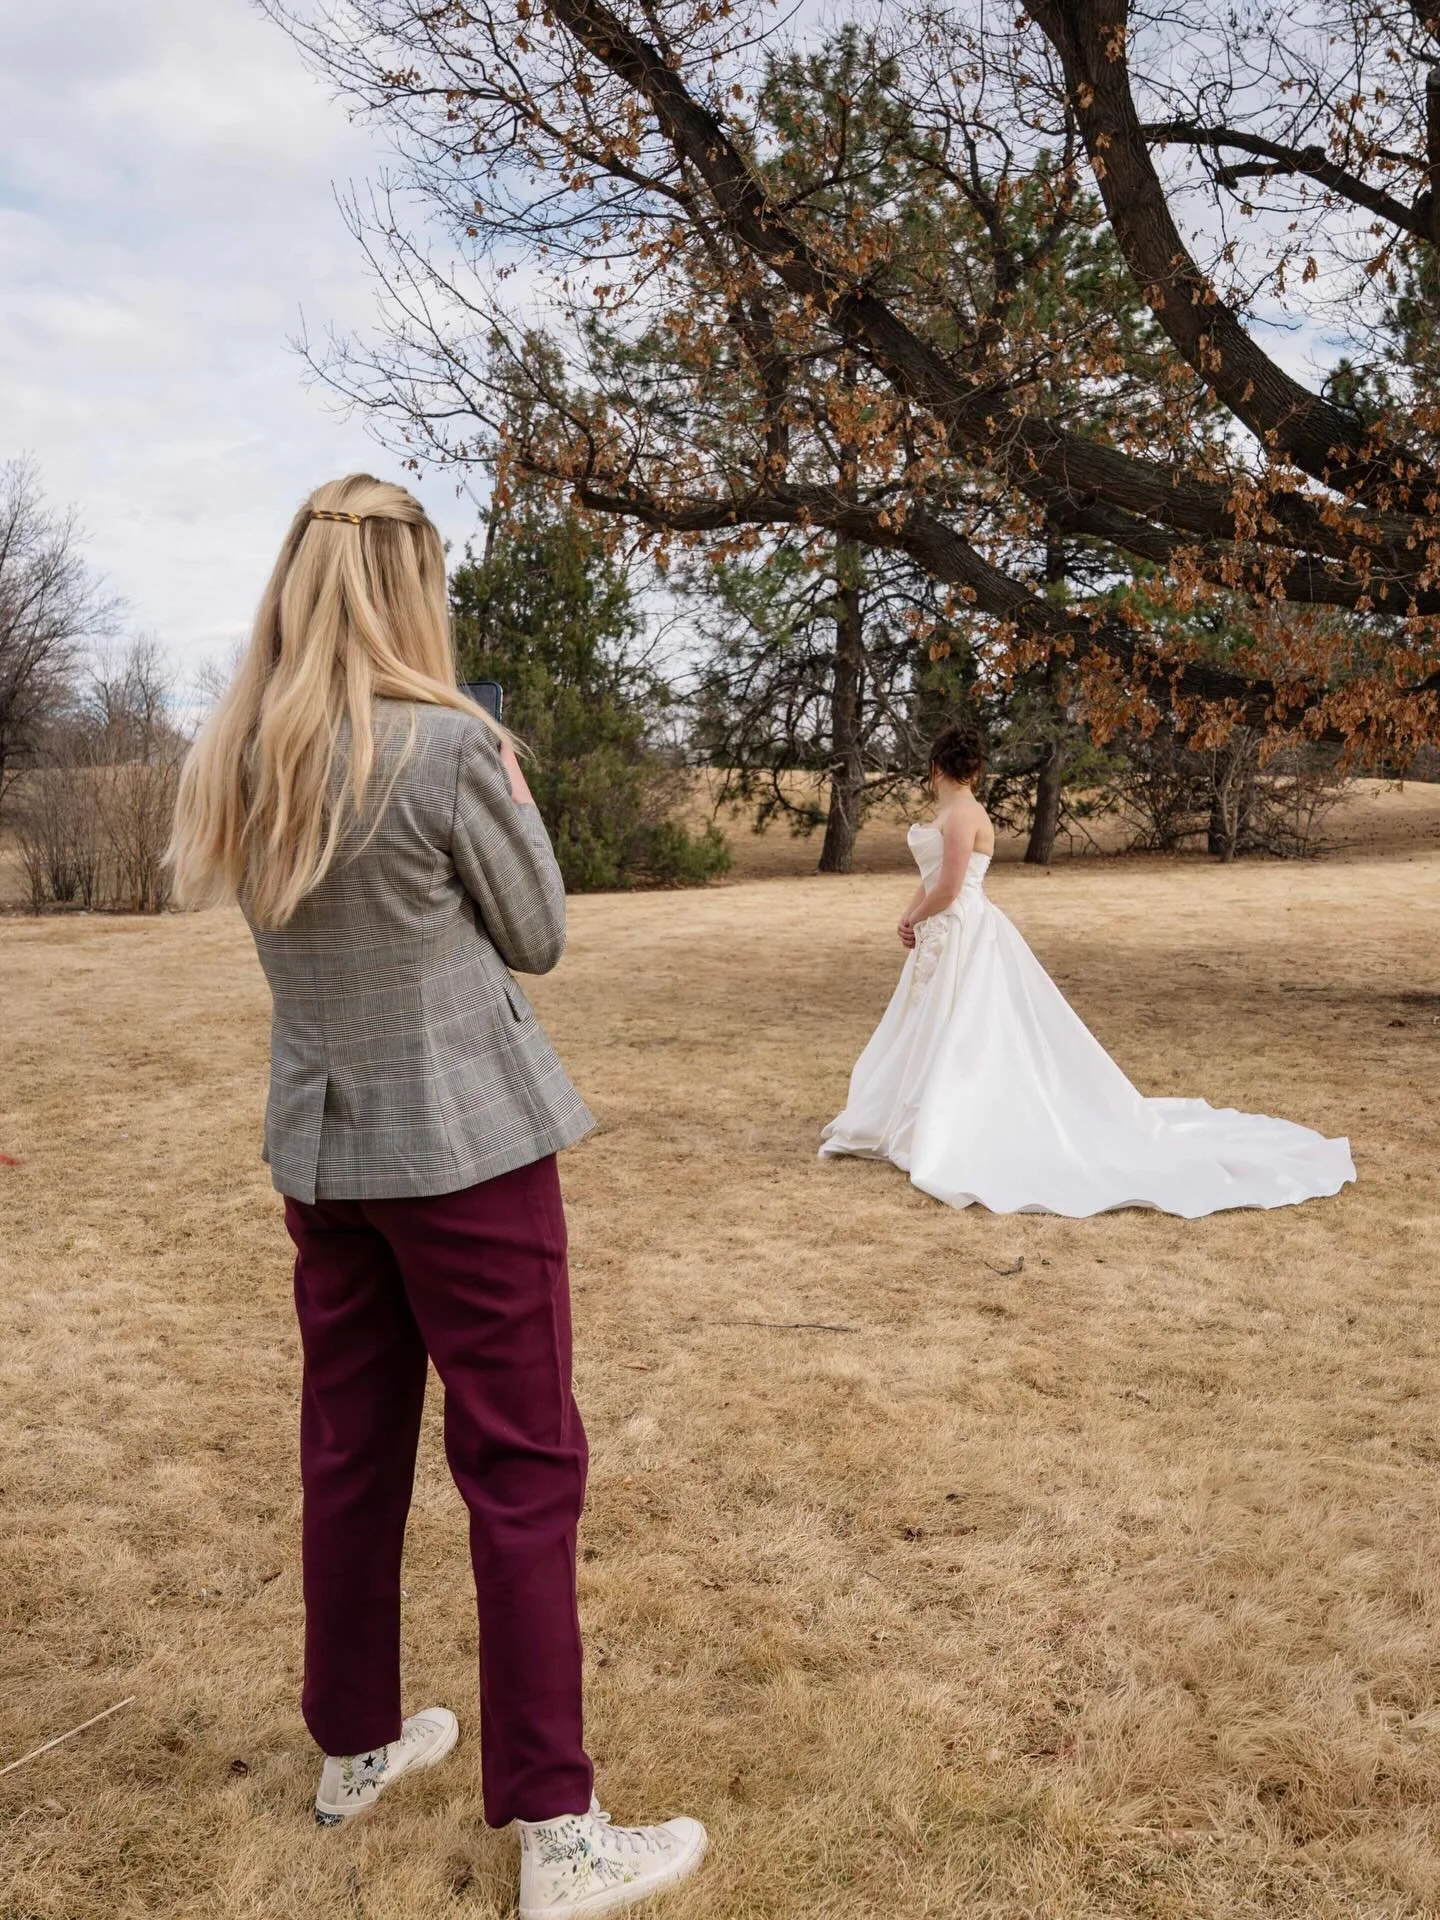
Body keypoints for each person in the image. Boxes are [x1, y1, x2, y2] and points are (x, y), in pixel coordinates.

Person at [168, 475, 707, 1918]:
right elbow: (539, 932)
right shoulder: (451, 745)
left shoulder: (242, 753)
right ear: (411, 585)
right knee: (524, 1466)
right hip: (464, 1153)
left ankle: (354, 1744)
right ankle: (560, 1830)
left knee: (350, 1452)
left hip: (325, 1155)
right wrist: (504, 781)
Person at [820, 722, 1356, 1217]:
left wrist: (917, 917)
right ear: (973, 769)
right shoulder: (950, 813)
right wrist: (910, 916)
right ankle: (915, 1115)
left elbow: (953, 886)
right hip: (940, 931)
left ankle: (953, 1120)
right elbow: (932, 877)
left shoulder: (963, 815)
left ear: (937, 767)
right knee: (928, 1024)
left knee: (965, 1026)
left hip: (963, 931)